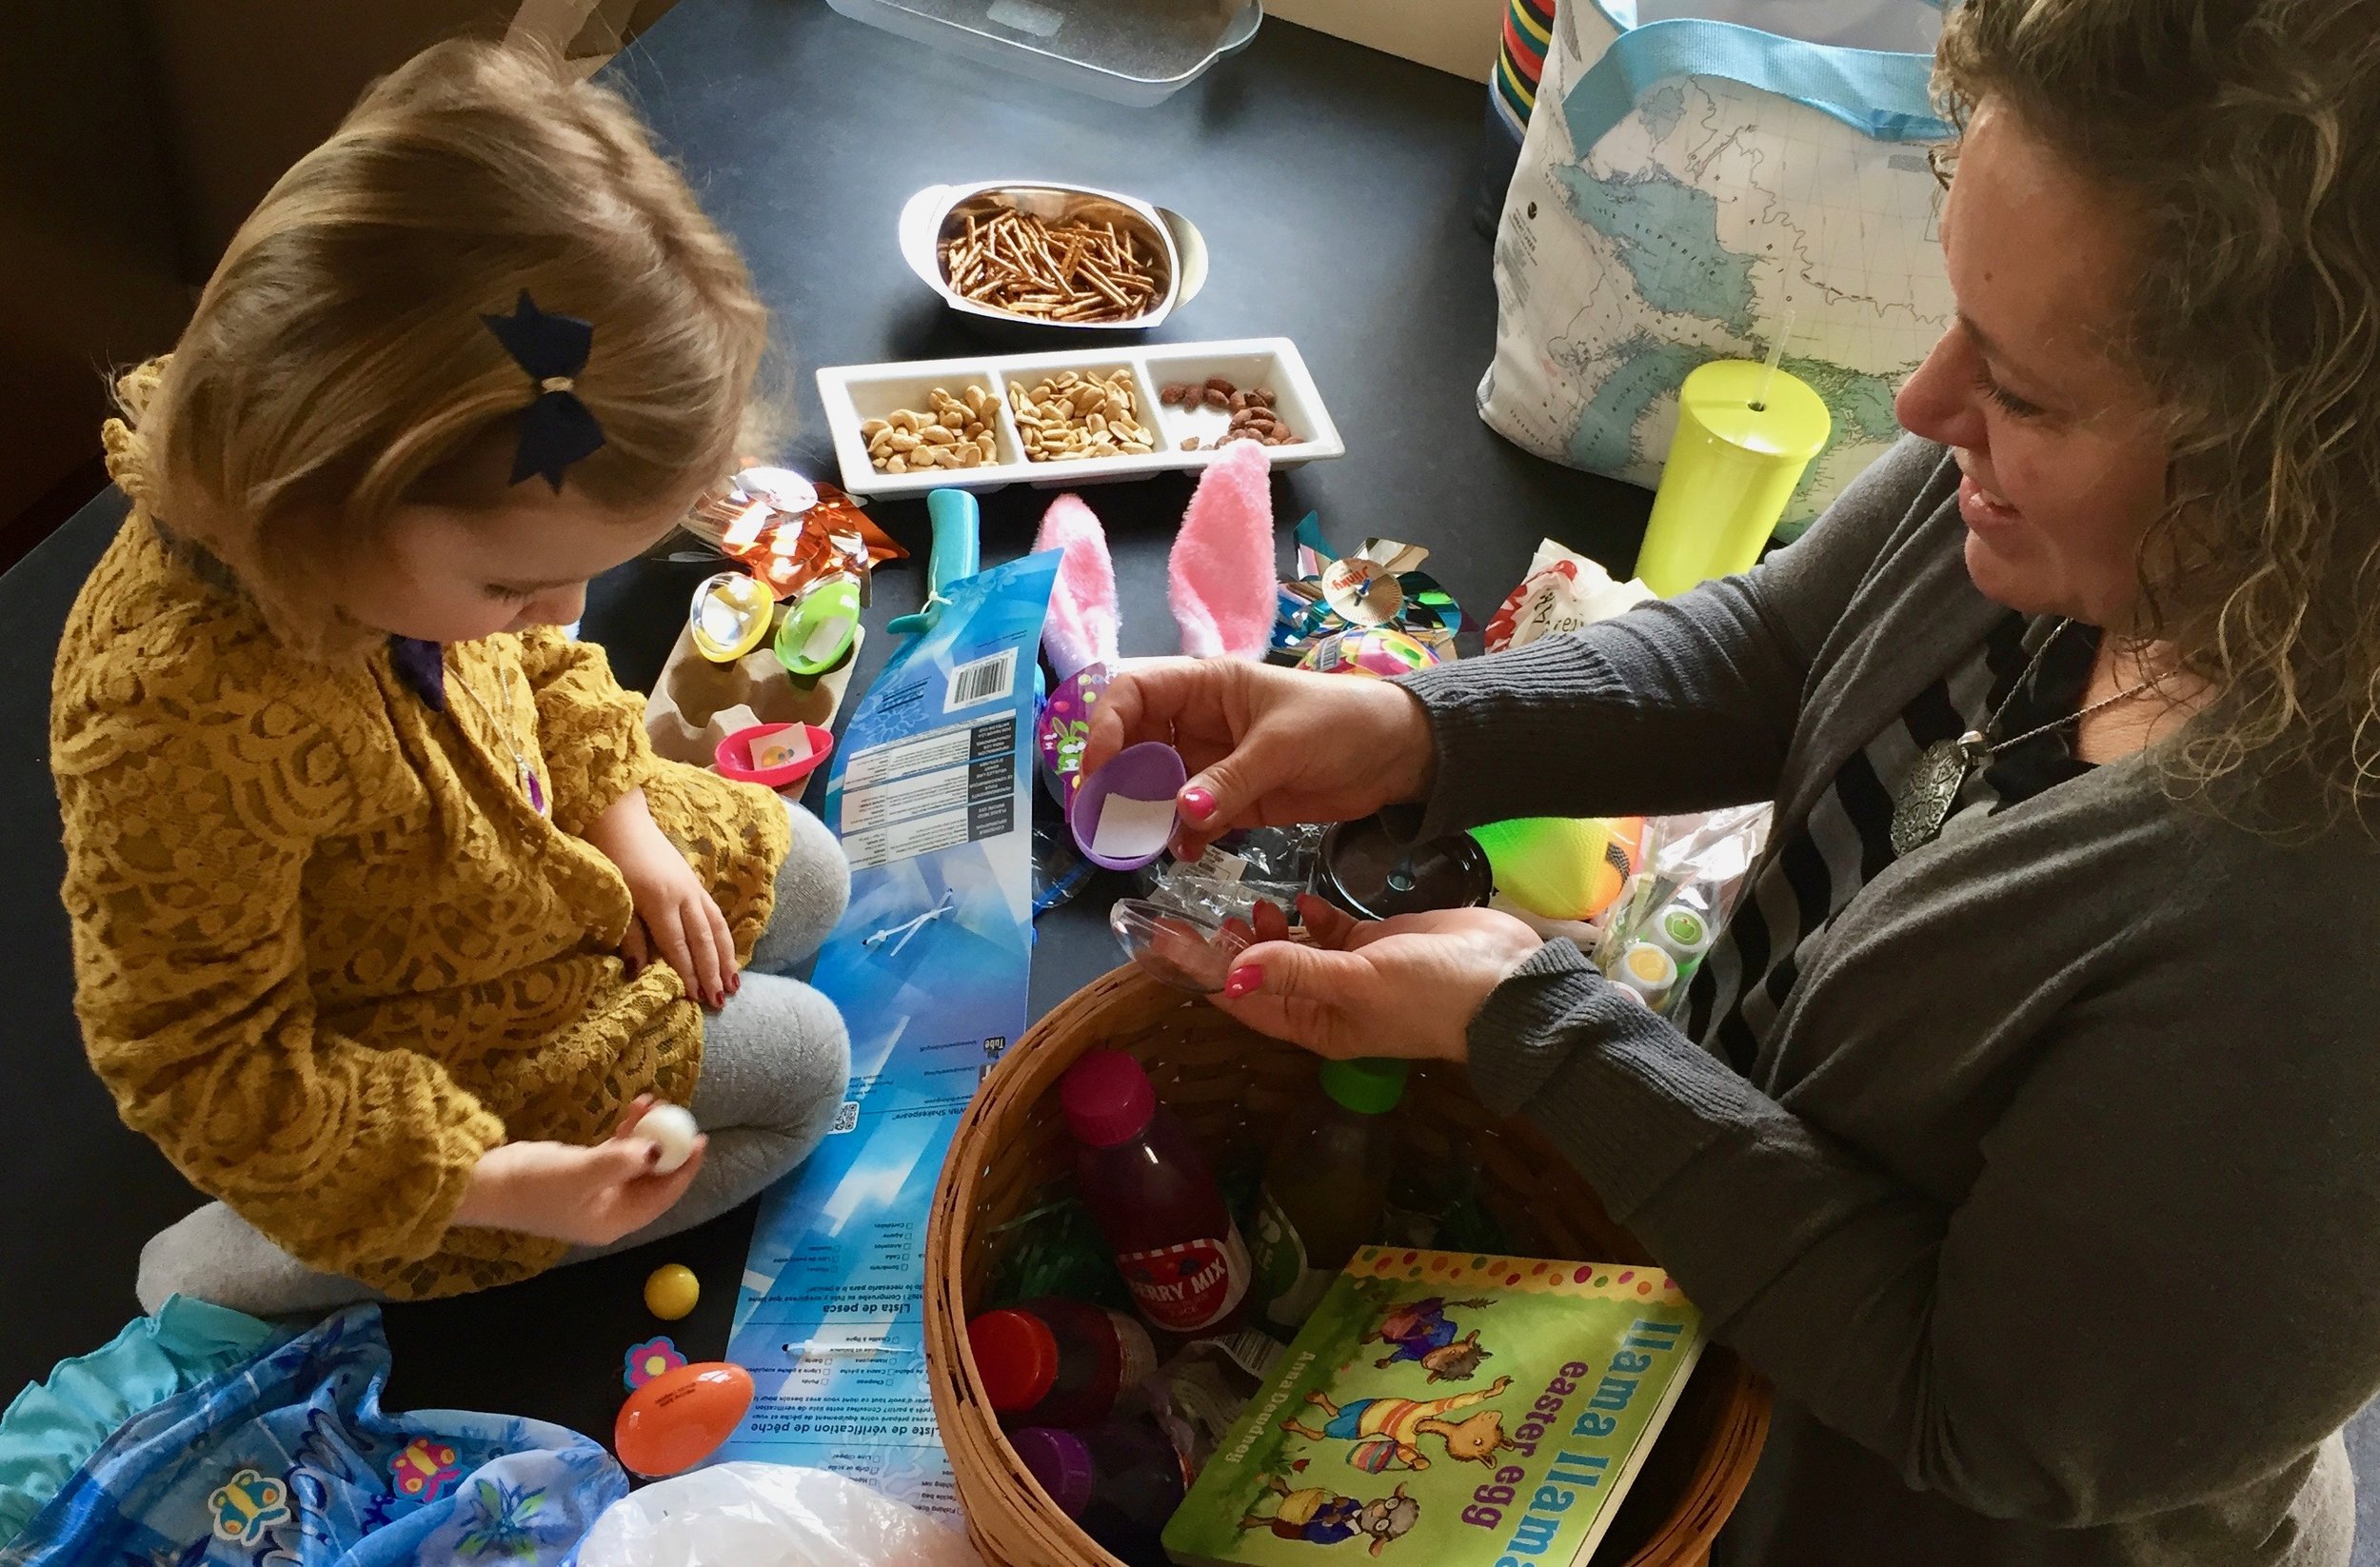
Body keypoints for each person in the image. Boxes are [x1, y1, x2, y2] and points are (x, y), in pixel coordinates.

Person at [1084, 1, 2380, 1561]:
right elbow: (1786, 648)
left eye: (2026, 391)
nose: (1922, 405)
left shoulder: (2321, 952)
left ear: (2309, 471)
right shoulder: (2053, 508)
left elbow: (1973, 1410)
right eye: (1959, 308)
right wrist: (1422, 730)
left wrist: (1539, 1026)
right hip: (1706, 1306)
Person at [51, 41, 850, 1315]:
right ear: (329, 500)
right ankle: (262, 1256)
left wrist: (626, 823)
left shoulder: (390, 541)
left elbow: (533, 655)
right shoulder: (171, 720)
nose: (564, 613)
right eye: (513, 585)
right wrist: (502, 1178)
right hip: (423, 1020)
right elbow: (208, 1062)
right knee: (810, 1067)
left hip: (516, 847)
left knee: (815, 873)